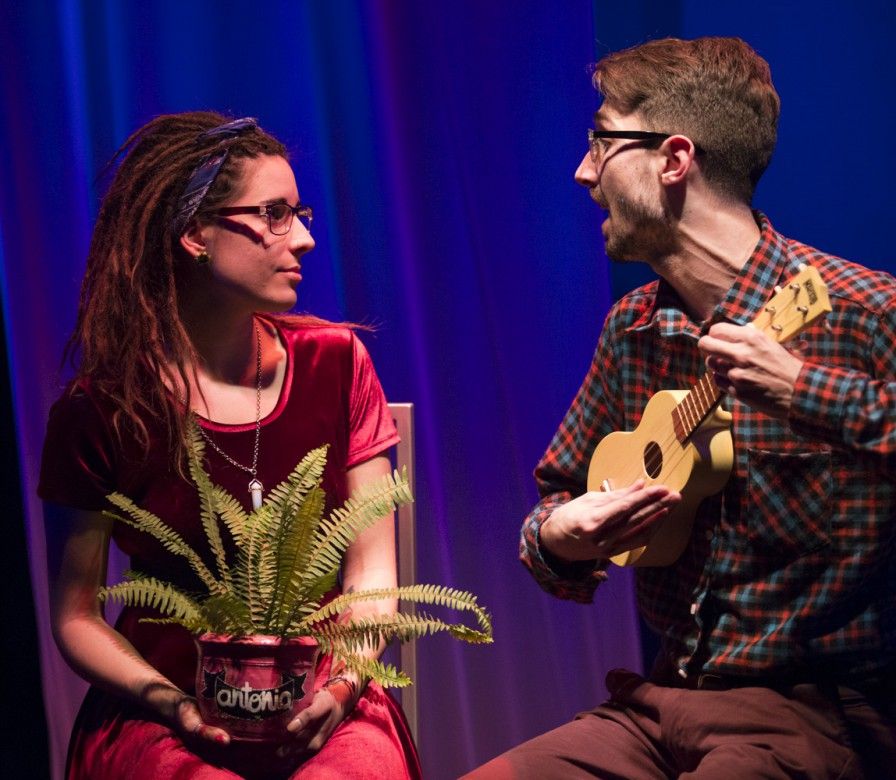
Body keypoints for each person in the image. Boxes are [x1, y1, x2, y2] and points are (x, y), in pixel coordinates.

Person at [467, 37, 896, 779]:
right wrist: (561, 537)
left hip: (821, 714)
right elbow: (556, 502)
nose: (583, 171)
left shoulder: (865, 313)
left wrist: (803, 387)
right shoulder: (634, 328)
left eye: (602, 142)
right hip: (665, 698)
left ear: (673, 159)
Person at [39, 112, 421, 779]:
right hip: (165, 699)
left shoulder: (336, 363)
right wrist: (172, 704)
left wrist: (340, 690)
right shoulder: (103, 410)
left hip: (320, 687)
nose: (304, 238)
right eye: (275, 215)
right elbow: (75, 616)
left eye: (299, 213)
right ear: (195, 234)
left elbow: (370, 578)